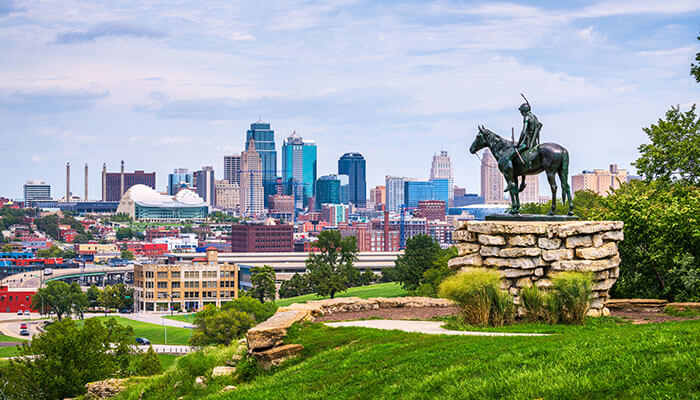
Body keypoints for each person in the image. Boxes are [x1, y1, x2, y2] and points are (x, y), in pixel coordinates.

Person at [500, 102, 542, 192]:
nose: (521, 113)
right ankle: (522, 183)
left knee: (508, 158)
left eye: (521, 111)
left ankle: (511, 182)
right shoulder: (534, 117)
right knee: (521, 160)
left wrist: (518, 144)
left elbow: (524, 131)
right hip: (534, 143)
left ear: (524, 110)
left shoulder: (527, 117)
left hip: (527, 143)